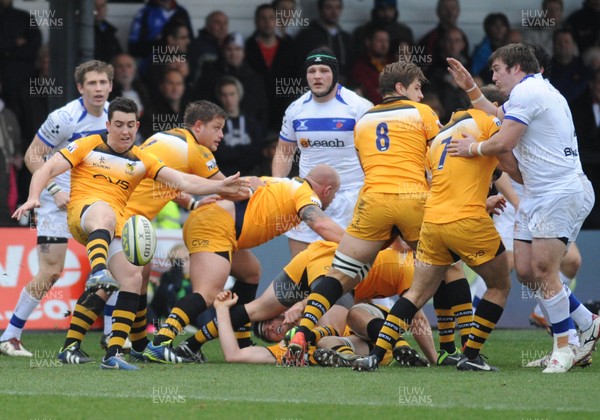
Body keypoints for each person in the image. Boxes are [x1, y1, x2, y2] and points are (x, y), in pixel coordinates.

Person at [12, 97, 250, 370]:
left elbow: (182, 181)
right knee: (105, 214)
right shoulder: (88, 145)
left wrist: (220, 189)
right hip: (84, 214)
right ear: (107, 125)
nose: (125, 131)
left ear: (137, 126)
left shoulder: (143, 158)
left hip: (120, 224)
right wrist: (33, 197)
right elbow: (48, 167)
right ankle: (100, 271)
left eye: (130, 125)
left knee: (133, 278)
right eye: (118, 125)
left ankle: (109, 353)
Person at [446, 43, 599, 372]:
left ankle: (566, 344)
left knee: (544, 269)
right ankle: (587, 323)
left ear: (517, 68)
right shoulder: (528, 93)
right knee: (528, 271)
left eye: (497, 69)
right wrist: (471, 88)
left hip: (558, 191)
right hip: (538, 193)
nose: (493, 76)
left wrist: (470, 147)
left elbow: (502, 143)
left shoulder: (529, 91)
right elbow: (495, 113)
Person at [284, 61, 440, 362]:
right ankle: (447, 353)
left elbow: (365, 161)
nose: (421, 95)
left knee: (341, 280)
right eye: (418, 88)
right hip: (412, 201)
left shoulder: (365, 118)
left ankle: (304, 332)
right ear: (401, 89)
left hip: (369, 205)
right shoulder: (422, 113)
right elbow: (439, 159)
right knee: (444, 273)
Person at [351, 86, 513, 372]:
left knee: (415, 294)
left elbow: (442, 178)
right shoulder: (491, 123)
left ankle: (375, 356)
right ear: (495, 105)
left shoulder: (438, 138)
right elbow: (508, 159)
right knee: (500, 285)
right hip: (466, 220)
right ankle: (471, 355)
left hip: (433, 223)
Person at [147, 164, 345, 362]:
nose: (333, 199)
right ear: (326, 190)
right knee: (207, 293)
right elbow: (319, 223)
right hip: (215, 226)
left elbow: (250, 181)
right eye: (333, 194)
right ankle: (160, 341)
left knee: (251, 273)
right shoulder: (304, 193)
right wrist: (357, 246)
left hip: (217, 224)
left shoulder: (282, 183)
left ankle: (238, 342)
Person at [0, 60, 113, 357]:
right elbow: (31, 157)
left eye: (103, 82)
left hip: (94, 197)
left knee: (116, 262)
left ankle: (113, 336)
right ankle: (10, 336)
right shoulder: (64, 117)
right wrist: (53, 189)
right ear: (80, 87)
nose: (98, 88)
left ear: (110, 86)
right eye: (92, 83)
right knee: (51, 271)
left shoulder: (116, 116)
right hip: (55, 201)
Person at [175, 239, 435, 366]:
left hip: (329, 269)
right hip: (366, 347)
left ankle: (397, 345)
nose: (275, 329)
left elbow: (415, 315)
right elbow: (234, 355)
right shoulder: (286, 348)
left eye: (272, 324)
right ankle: (346, 356)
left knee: (353, 314)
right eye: (271, 334)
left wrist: (301, 306)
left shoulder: (405, 269)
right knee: (326, 338)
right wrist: (220, 309)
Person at [272, 48, 372, 257]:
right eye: (312, 71)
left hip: (352, 198)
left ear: (335, 74)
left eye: (324, 70)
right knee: (300, 272)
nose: (317, 76)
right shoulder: (295, 109)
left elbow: (376, 154)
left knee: (355, 274)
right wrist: (277, 186)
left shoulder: (359, 107)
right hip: (308, 198)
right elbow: (284, 152)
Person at [293, 0, 354, 84]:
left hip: (342, 89)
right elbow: (298, 65)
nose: (334, 12)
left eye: (337, 8)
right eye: (329, 7)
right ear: (320, 9)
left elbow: (351, 66)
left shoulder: (346, 38)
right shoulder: (307, 35)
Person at [213, 76, 264, 176]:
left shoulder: (252, 124)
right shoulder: (215, 125)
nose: (228, 99)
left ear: (239, 95)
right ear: (219, 97)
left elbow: (257, 151)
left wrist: (233, 154)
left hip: (251, 174)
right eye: (224, 95)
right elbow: (219, 154)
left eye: (232, 94)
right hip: (224, 175)